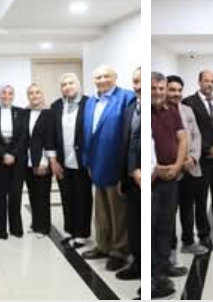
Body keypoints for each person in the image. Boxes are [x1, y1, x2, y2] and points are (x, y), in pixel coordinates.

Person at [81, 64, 138, 270]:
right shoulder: (90, 101)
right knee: (101, 210)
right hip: (96, 163)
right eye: (98, 77)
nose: (102, 80)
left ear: (115, 77)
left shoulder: (127, 97)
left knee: (118, 211)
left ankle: (119, 250)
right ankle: (103, 245)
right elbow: (87, 132)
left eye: (106, 76)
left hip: (116, 163)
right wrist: (87, 161)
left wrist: (127, 167)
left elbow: (130, 133)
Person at [183, 69, 213, 245]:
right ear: (199, 82)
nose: (210, 84)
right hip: (200, 159)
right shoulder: (188, 103)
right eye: (206, 81)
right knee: (201, 199)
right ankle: (203, 235)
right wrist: (208, 149)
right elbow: (189, 133)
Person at [151, 71, 187, 301]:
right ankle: (153, 275)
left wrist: (177, 166)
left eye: (161, 88)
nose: (158, 92)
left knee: (166, 224)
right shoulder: (141, 112)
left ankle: (164, 266)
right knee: (151, 228)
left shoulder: (172, 110)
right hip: (151, 180)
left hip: (171, 177)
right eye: (153, 88)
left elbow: (182, 139)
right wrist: (156, 169)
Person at [45, 72, 92, 246]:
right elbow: (50, 134)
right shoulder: (56, 106)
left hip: (82, 160)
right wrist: (53, 161)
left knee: (83, 197)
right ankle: (70, 230)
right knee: (66, 197)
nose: (67, 87)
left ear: (78, 85)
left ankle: (82, 234)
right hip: (62, 161)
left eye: (71, 83)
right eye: (64, 84)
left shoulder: (89, 103)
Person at [166, 75, 208, 256]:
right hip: (170, 170)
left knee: (187, 207)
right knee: (169, 211)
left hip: (190, 168)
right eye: (172, 90)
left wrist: (193, 158)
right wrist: (177, 163)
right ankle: (169, 246)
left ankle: (188, 242)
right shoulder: (158, 111)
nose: (176, 94)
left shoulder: (187, 110)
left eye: (179, 90)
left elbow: (197, 135)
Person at [0, 85, 27, 239]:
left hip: (17, 159)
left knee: (15, 194)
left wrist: (12, 153)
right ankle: (0, 230)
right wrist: (3, 154)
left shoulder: (22, 112)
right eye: (4, 93)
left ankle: (16, 228)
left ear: (13, 96)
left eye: (10, 93)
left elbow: (23, 136)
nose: (7, 96)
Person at [117, 67, 141, 284]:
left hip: (153, 177)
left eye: (142, 81)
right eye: (135, 81)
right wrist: (123, 176)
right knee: (134, 224)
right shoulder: (130, 108)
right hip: (131, 177)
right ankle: (137, 263)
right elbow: (125, 144)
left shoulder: (159, 109)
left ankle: (156, 269)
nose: (138, 86)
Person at [23, 84, 53, 235]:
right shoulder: (25, 113)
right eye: (31, 93)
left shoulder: (49, 113)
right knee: (33, 194)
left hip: (42, 161)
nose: (34, 95)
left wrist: (44, 162)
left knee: (43, 195)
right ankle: (35, 224)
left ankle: (44, 227)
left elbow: (50, 139)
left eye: (37, 92)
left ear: (42, 95)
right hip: (27, 161)